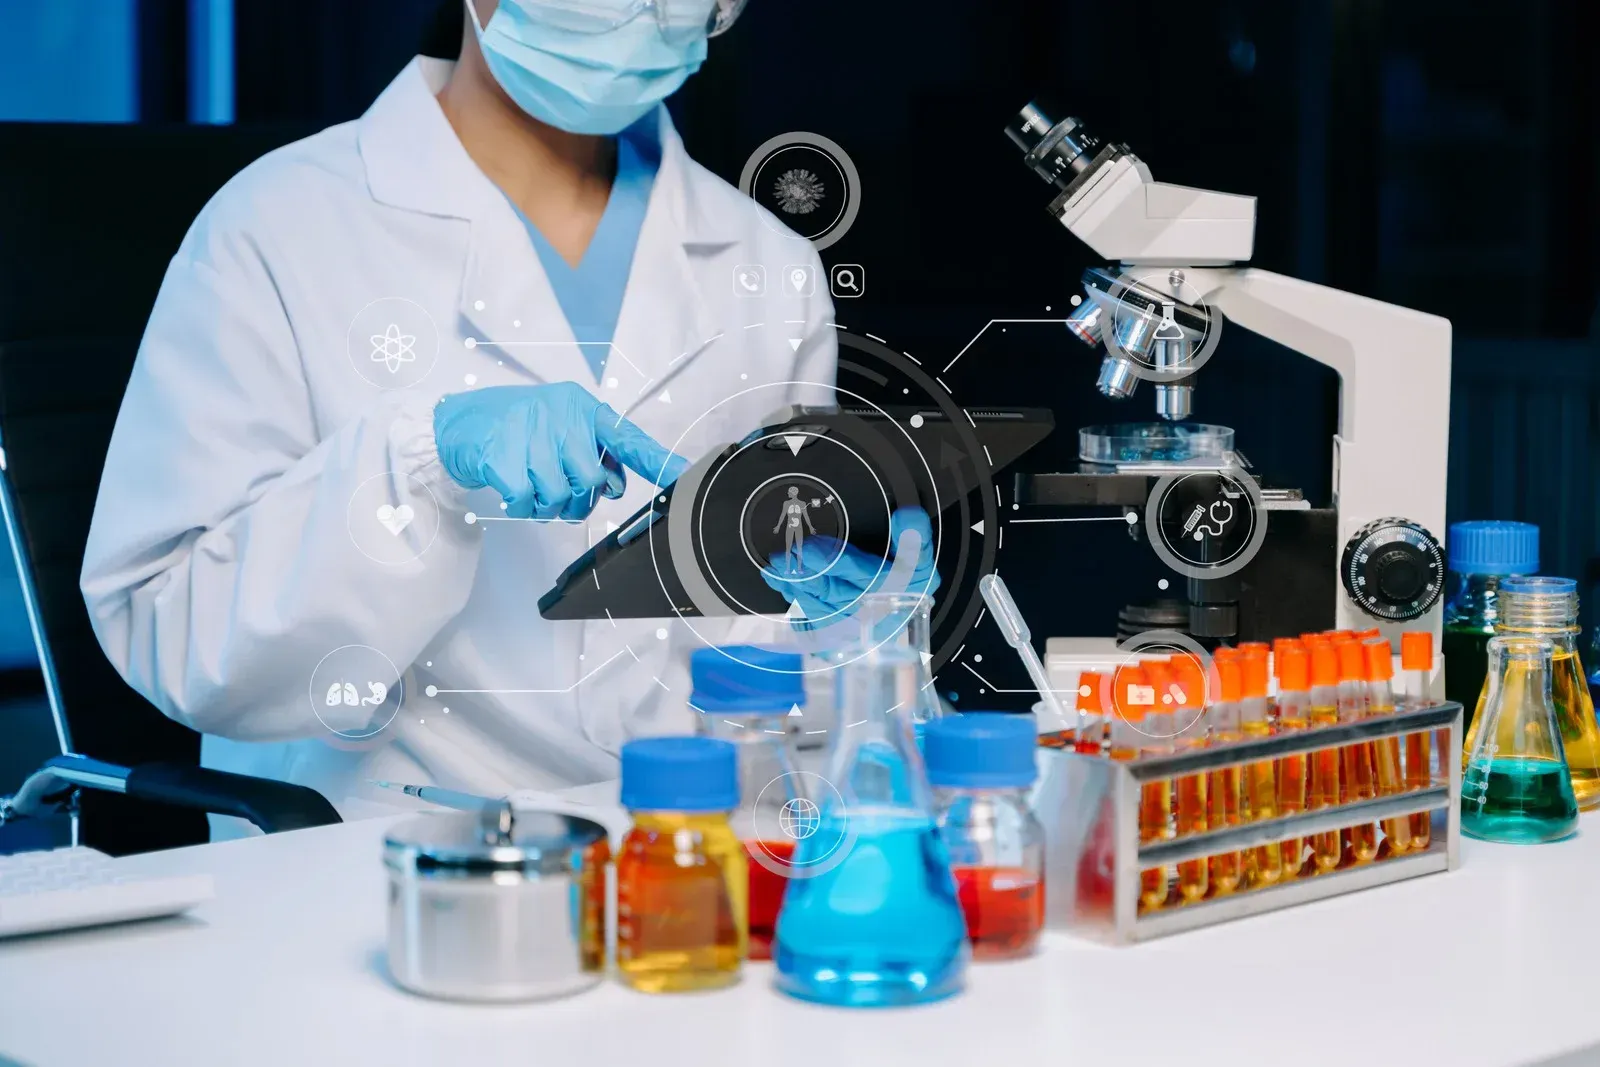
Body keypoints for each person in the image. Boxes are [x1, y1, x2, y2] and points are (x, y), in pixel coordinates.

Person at [78, 0, 867, 830]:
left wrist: (846, 634)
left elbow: (764, 661)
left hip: (685, 849)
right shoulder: (276, 229)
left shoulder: (768, 264)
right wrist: (418, 467)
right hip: (372, 860)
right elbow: (172, 632)